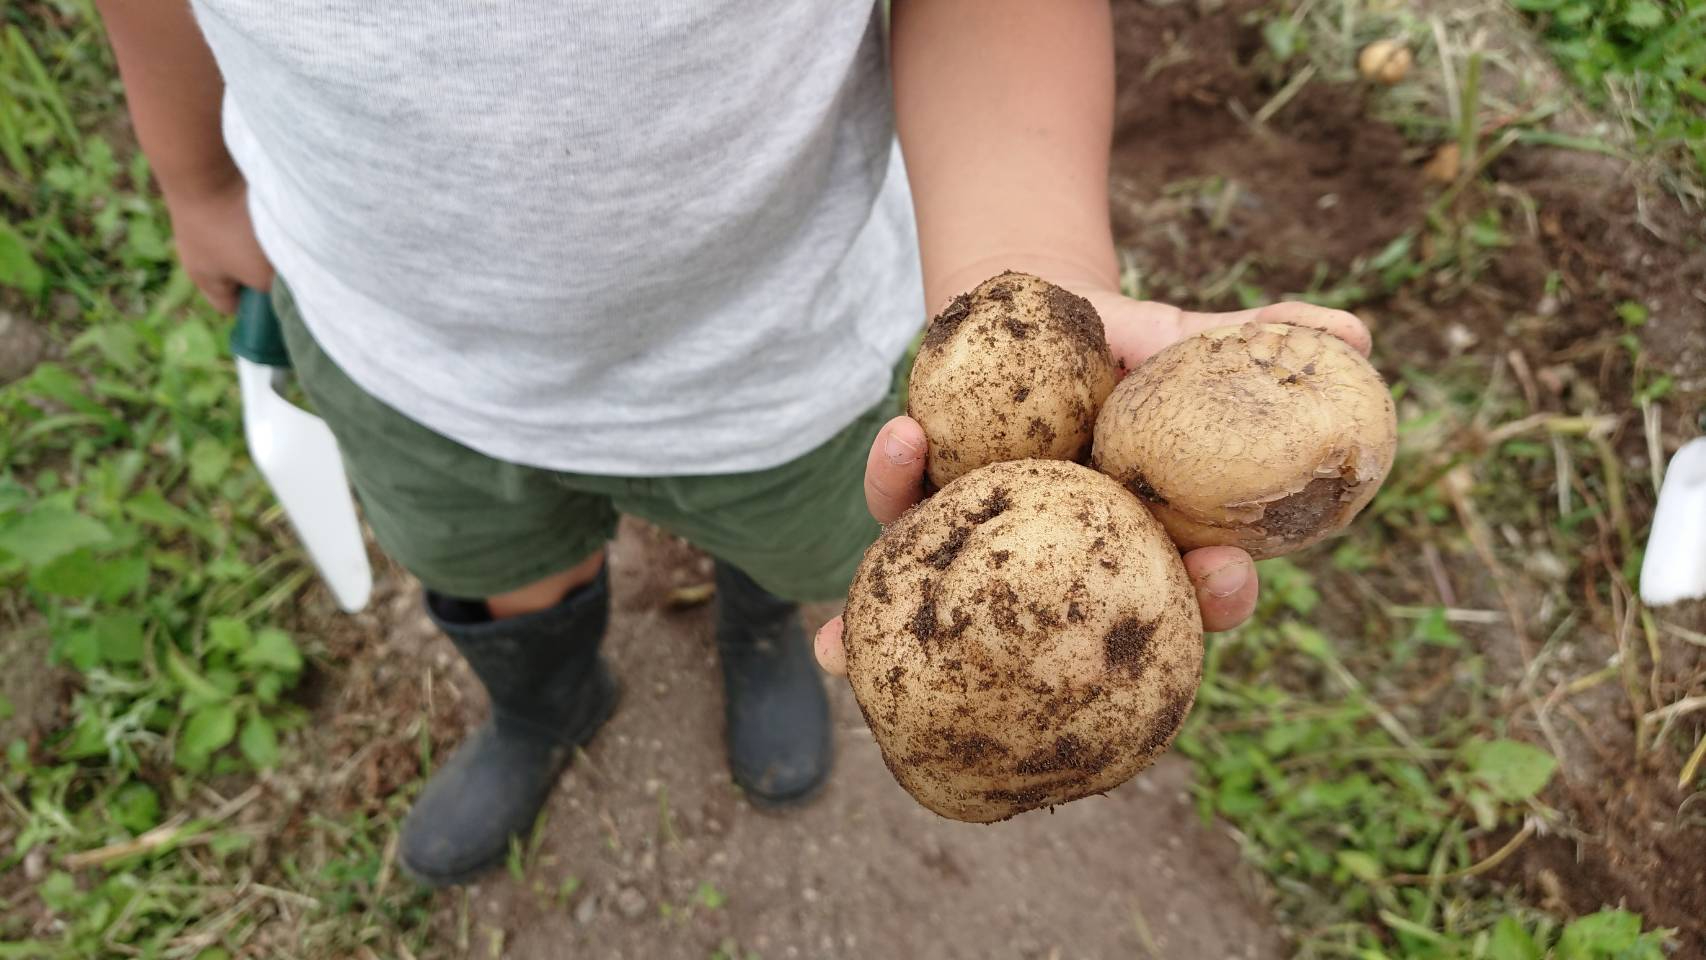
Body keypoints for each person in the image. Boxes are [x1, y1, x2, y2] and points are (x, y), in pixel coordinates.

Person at [96, 0, 1372, 888]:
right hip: (404, 353)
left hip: (781, 361)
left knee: (805, 539)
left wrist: (1027, 284)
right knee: (482, 559)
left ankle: (754, 629)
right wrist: (193, 177)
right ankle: (544, 704)